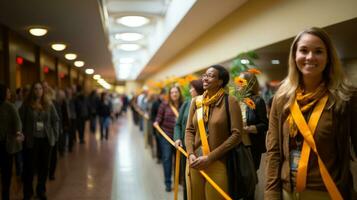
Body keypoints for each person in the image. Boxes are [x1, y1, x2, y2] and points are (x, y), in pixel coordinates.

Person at [265, 27, 357, 200]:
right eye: (304, 50)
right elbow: (274, 151)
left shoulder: (345, 96)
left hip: (327, 192)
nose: (310, 57)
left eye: (318, 51)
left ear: (328, 57)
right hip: (288, 192)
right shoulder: (282, 98)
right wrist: (271, 194)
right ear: (294, 56)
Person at [185, 65, 243, 200]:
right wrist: (190, 153)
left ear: (220, 81)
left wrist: (210, 157)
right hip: (194, 161)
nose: (205, 78)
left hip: (218, 162)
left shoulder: (230, 101)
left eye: (210, 76)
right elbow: (189, 130)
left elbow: (236, 134)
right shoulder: (196, 101)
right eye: (205, 75)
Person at [20, 82, 59, 200]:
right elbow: (20, 121)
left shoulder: (49, 104)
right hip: (31, 140)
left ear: (43, 91)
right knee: (29, 168)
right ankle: (28, 192)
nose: (38, 91)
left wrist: (54, 135)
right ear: (33, 91)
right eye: (35, 88)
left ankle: (41, 190)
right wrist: (21, 134)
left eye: (40, 88)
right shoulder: (26, 105)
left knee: (44, 167)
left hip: (45, 140)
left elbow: (55, 120)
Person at [174, 79, 204, 200]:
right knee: (187, 178)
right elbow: (178, 124)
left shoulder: (205, 103)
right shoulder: (186, 104)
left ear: (198, 90)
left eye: (192, 88)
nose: (190, 90)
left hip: (201, 148)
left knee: (199, 182)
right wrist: (177, 138)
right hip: (185, 147)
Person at [154, 86, 183, 192]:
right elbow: (159, 117)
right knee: (167, 159)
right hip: (166, 136)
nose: (174, 94)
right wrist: (156, 122)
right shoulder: (164, 105)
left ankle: (178, 181)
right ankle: (168, 182)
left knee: (179, 159)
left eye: (176, 92)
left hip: (179, 137)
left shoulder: (183, 105)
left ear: (179, 93)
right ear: (169, 95)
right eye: (172, 92)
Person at [239, 72, 268, 172]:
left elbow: (265, 124)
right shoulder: (236, 101)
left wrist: (249, 129)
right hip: (236, 145)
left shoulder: (257, 101)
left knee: (250, 177)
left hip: (252, 146)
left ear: (249, 84)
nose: (238, 83)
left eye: (241, 81)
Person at [0, 84, 24, 200]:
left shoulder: (10, 106)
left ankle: (5, 196)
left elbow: (17, 123)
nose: (10, 94)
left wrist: (18, 133)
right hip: (4, 144)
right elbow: (18, 122)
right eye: (8, 92)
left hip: (7, 145)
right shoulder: (9, 106)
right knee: (6, 173)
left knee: (6, 173)